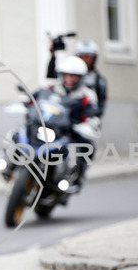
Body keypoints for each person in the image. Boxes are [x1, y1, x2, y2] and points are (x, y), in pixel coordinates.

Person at [41, 56, 101, 189]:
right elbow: (35, 99)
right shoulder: (52, 89)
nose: (70, 79)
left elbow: (93, 113)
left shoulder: (87, 95)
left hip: (71, 131)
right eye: (67, 75)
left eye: (74, 76)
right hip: (49, 127)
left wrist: (90, 123)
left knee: (87, 147)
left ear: (81, 78)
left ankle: (77, 177)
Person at [47, 39, 108, 118]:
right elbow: (53, 78)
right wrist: (53, 56)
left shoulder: (98, 81)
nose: (85, 60)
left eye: (88, 57)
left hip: (85, 116)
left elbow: (101, 105)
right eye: (82, 57)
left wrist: (93, 116)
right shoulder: (68, 74)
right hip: (66, 114)